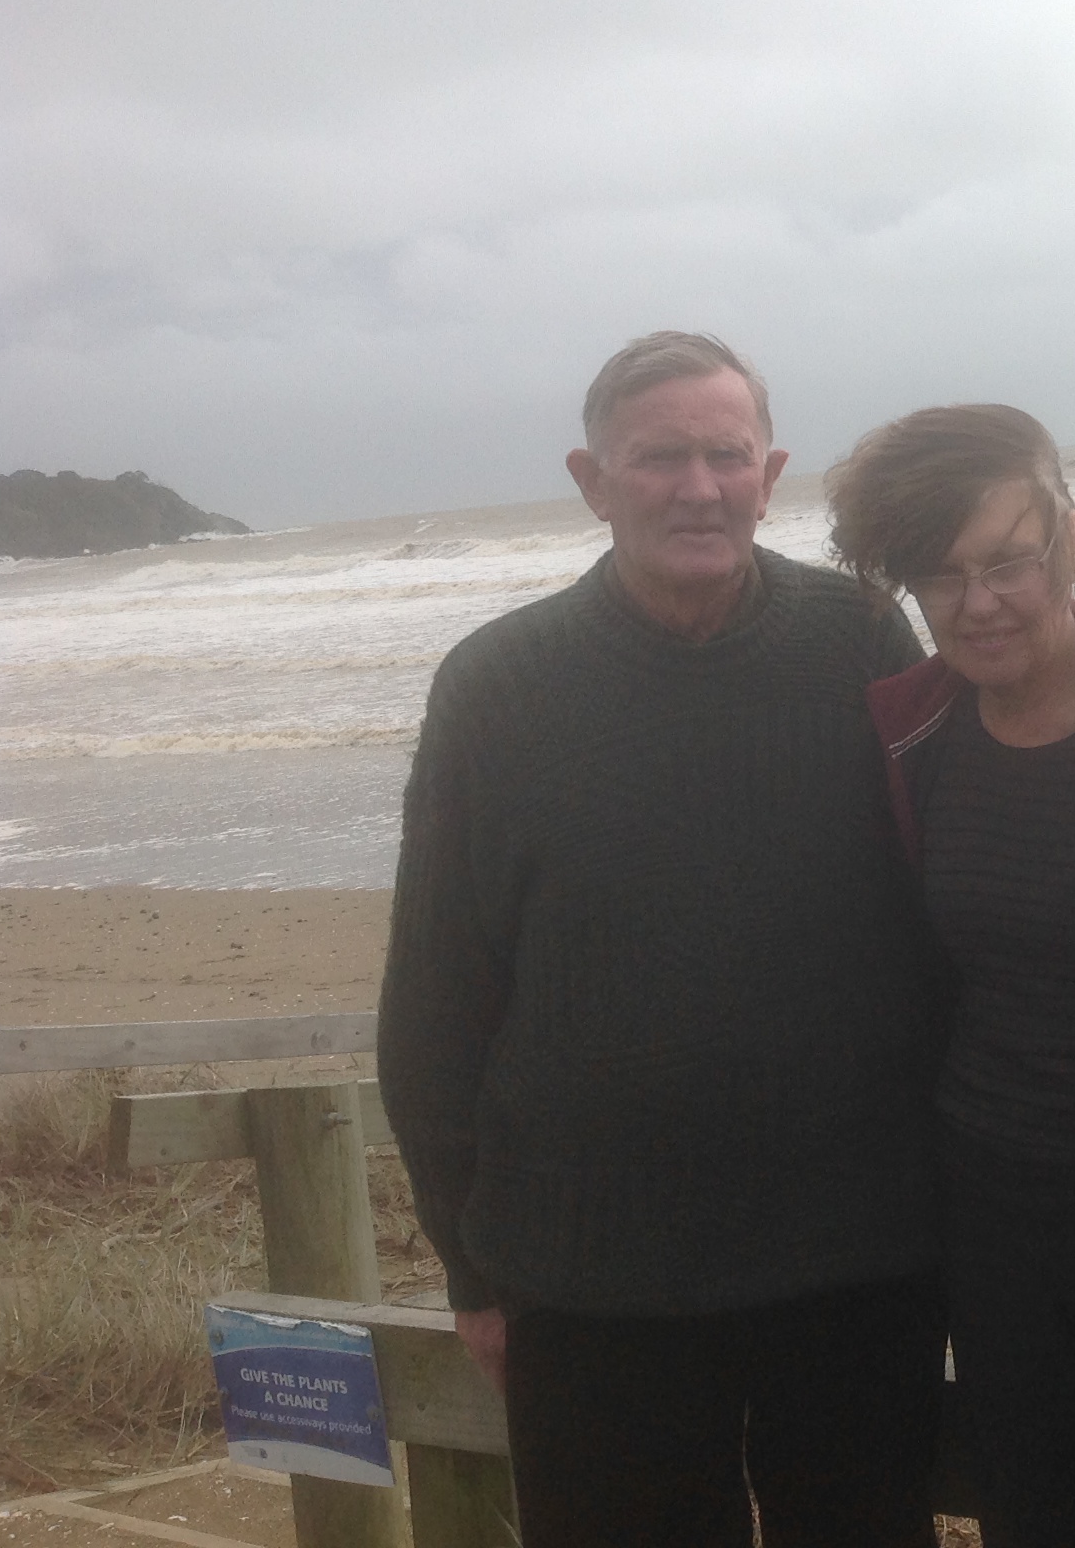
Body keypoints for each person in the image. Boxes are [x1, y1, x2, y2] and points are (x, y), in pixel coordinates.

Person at [377, 332, 945, 1548]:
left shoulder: (861, 639)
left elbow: (947, 908)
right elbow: (433, 1000)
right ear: (593, 481)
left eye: (728, 455)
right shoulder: (497, 686)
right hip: (590, 1277)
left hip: (855, 1260)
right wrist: (472, 1270)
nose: (700, 487)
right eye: (659, 458)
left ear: (770, 473)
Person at [828, 405, 1075, 1548]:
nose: (978, 602)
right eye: (942, 576)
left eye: (1007, 563)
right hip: (987, 1208)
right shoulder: (913, 730)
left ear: (1071, 541)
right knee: (1027, 1512)